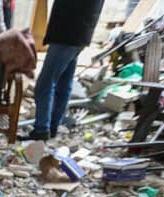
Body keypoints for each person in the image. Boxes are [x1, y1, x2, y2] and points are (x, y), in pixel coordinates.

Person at [24, 0, 105, 140]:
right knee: (63, 84)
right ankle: (52, 126)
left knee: (44, 85)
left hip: (67, 32)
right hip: (79, 33)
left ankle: (41, 130)